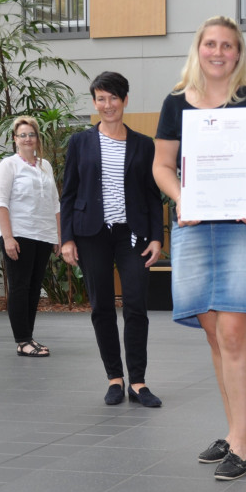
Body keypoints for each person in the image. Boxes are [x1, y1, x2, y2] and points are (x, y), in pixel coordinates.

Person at [153, 16, 246, 480]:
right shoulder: (176, 103)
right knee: (214, 335)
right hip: (194, 229)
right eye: (210, 43)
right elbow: (162, 165)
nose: (218, 52)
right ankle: (234, 431)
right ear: (198, 48)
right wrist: (182, 198)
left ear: (238, 52)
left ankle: (243, 442)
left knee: (234, 333)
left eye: (227, 45)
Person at [60, 71, 165, 407]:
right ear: (94, 102)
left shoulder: (143, 144)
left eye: (113, 98)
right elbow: (69, 193)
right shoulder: (80, 142)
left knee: (136, 305)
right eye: (101, 99)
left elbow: (152, 196)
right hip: (91, 233)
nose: (107, 105)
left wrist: (156, 237)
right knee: (101, 306)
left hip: (131, 235)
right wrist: (66, 240)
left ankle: (138, 381)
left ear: (125, 101)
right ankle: (114, 379)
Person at [0, 116, 61, 357]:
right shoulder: (8, 165)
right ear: (15, 139)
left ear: (37, 138)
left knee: (33, 289)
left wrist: (57, 235)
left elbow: (55, 203)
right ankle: (22, 341)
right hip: (18, 234)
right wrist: (8, 237)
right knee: (20, 287)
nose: (28, 138)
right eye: (22, 135)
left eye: (31, 134)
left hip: (42, 235)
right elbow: (1, 203)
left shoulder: (45, 165)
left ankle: (28, 337)